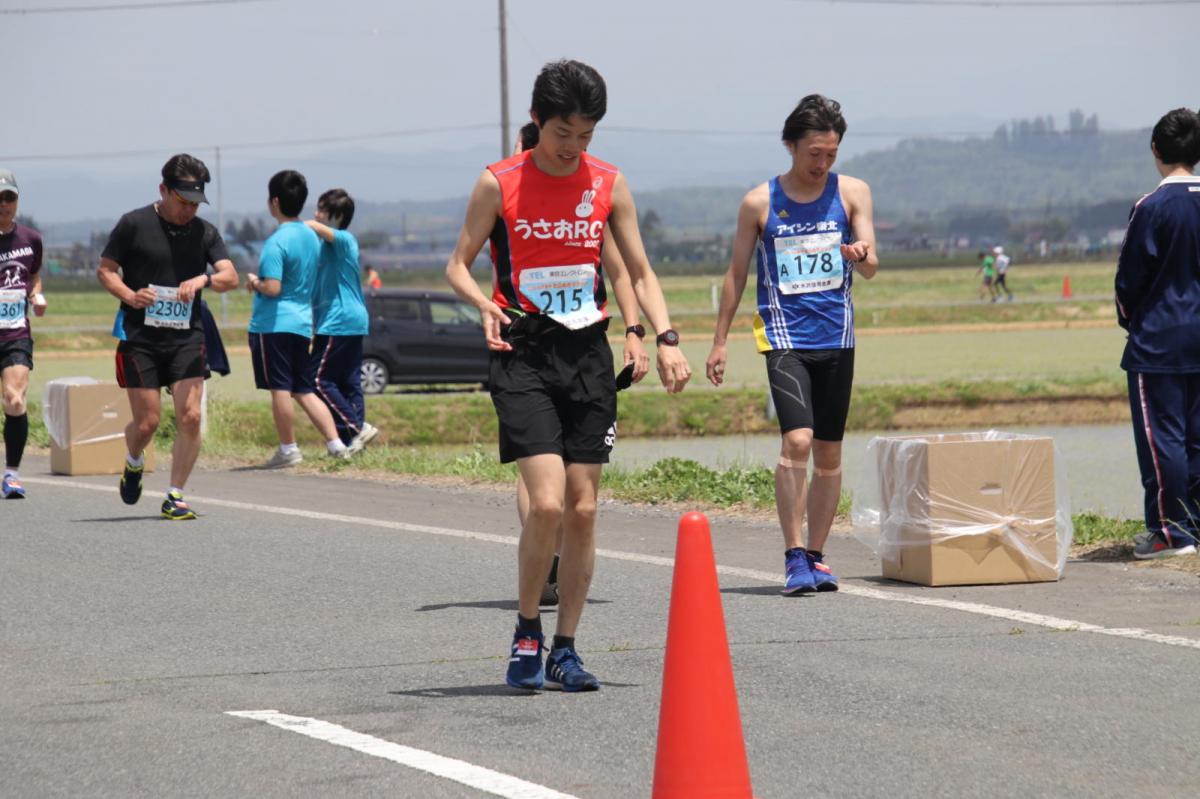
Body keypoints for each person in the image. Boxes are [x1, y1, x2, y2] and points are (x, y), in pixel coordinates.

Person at [446, 59, 690, 692]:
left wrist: (662, 338)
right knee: (548, 502)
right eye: (562, 132)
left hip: (587, 357)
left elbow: (636, 271)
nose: (573, 147)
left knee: (582, 508)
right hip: (522, 353)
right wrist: (483, 305)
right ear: (537, 121)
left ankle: (566, 647)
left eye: (585, 135)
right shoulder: (498, 183)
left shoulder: (608, 184)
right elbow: (457, 265)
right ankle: (527, 627)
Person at [705, 94, 878, 595]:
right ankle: (792, 554)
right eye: (813, 154)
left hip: (837, 337)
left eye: (831, 154)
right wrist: (719, 342)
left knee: (828, 451)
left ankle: (819, 556)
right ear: (790, 146)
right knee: (797, 440)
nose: (822, 164)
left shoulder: (853, 193)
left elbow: (870, 266)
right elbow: (737, 272)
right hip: (783, 337)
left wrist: (861, 254)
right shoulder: (760, 202)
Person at [507, 121, 651, 608]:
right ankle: (544, 552)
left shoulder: (589, 204)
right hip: (526, 352)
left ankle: (553, 558)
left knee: (577, 489)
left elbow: (621, 270)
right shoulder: (508, 201)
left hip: (584, 351)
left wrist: (636, 331)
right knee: (542, 485)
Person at [97, 154, 239, 519]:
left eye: (195, 203)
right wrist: (130, 295)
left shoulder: (205, 232)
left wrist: (204, 279)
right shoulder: (133, 224)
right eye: (183, 201)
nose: (189, 210)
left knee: (190, 416)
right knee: (147, 423)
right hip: (140, 337)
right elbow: (106, 271)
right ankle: (133, 460)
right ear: (164, 190)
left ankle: (175, 495)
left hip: (186, 337)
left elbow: (230, 276)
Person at [1115, 107, 1200, 560]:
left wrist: (1133, 323)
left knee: (1162, 438)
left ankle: (1171, 532)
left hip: (1160, 341)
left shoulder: (1152, 207)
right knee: (1196, 438)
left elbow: (1129, 283)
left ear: (1155, 150)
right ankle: (1195, 524)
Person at [246, 170, 349, 468]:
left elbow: (273, 287)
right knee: (303, 387)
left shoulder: (276, 241)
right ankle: (335, 443)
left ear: (274, 202)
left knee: (280, 387)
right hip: (303, 322)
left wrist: (255, 283)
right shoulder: (311, 236)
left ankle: (288, 448)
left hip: (274, 323)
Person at [306, 189, 378, 453]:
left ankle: (357, 427)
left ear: (336, 216)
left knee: (316, 380)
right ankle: (351, 442)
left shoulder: (346, 240)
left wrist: (301, 225)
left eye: (322, 210)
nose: (316, 214)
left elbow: (322, 230)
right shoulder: (325, 247)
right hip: (345, 320)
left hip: (340, 320)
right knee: (348, 382)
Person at [0, 168, 46, 500]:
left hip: (15, 333)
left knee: (15, 400)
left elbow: (34, 275)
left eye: (9, 198)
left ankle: (11, 475)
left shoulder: (31, 240)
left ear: (17, 200)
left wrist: (35, 296)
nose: (3, 204)